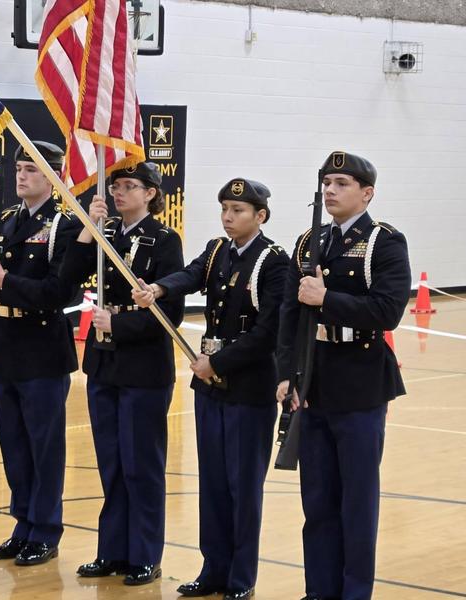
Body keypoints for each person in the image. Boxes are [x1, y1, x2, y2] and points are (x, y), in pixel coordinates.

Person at [133, 177, 288, 599]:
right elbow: (191, 274)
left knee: (243, 486)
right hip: (211, 388)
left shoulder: (272, 261)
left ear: (260, 216)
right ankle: (213, 568)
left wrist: (216, 362)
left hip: (247, 388)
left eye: (238, 211)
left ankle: (241, 577)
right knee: (214, 483)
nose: (228, 217)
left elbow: (268, 331)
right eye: (224, 208)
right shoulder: (218, 250)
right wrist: (159, 287)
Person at [275, 151, 411, 600]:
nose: (330, 190)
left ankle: (354, 594)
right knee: (317, 501)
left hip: (360, 382)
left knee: (356, 502)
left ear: (366, 193)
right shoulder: (307, 242)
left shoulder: (384, 242)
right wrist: (287, 374)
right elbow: (289, 315)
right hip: (314, 380)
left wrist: (327, 297)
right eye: (327, 182)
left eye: (342, 183)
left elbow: (387, 312)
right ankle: (319, 591)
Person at [60, 162, 185, 585]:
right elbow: (67, 278)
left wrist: (120, 324)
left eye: (130, 186)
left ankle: (145, 554)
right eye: (116, 186)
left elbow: (171, 313)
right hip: (104, 361)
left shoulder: (165, 240)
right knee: (111, 462)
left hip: (143, 363)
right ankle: (112, 550)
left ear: (151, 193)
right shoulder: (105, 232)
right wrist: (86, 228)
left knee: (141, 464)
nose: (119, 193)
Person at [0, 140, 81, 566]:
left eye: (32, 170)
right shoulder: (6, 220)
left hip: (42, 348)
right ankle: (23, 525)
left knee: (44, 446)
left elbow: (60, 292)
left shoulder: (63, 227)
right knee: (14, 446)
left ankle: (46, 530)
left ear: (53, 177)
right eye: (19, 168)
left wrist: (6, 284)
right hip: (5, 346)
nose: (21, 176)